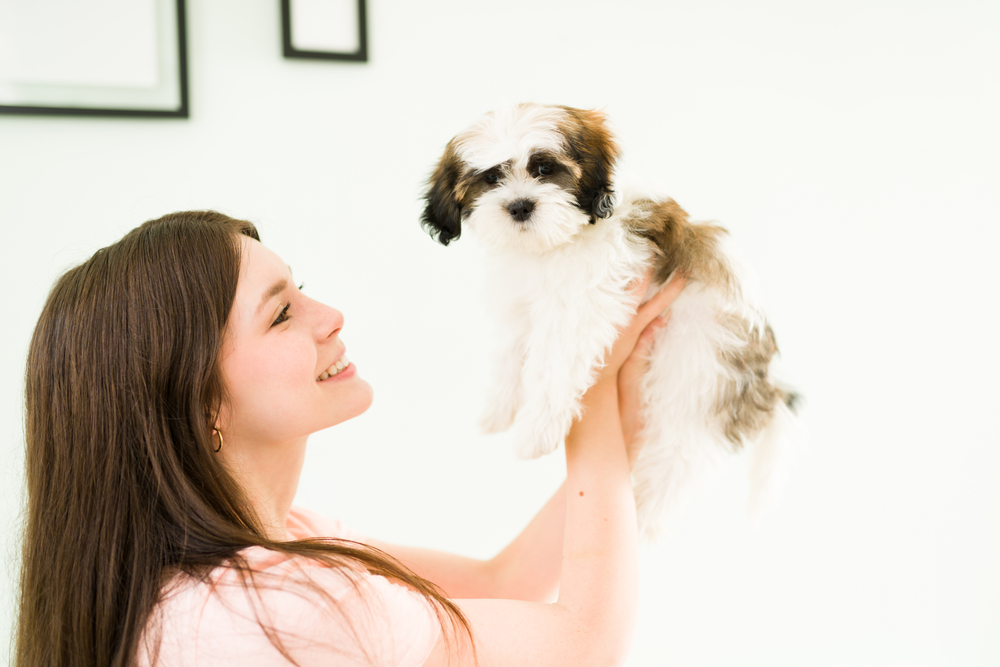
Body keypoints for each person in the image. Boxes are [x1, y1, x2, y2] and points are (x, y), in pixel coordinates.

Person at [16, 210, 686, 667]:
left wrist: (619, 421)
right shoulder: (266, 605)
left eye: (299, 289)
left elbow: (502, 581)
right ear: (197, 402)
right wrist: (583, 388)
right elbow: (583, 642)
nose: (329, 316)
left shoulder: (278, 545)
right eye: (281, 313)